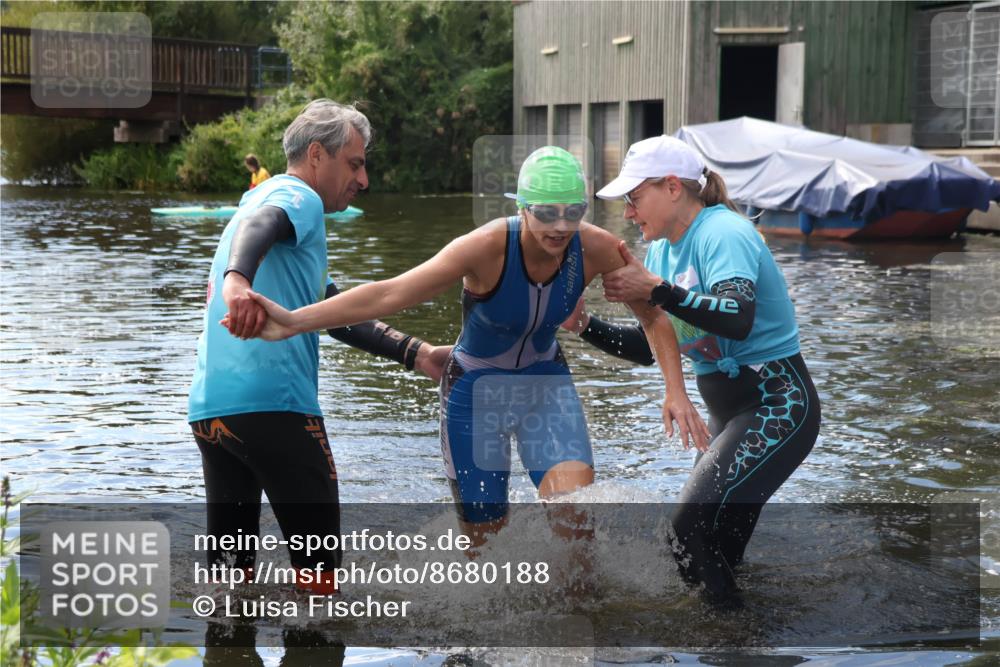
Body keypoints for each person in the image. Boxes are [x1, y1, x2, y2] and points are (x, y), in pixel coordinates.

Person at [227, 146, 710, 545]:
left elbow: (653, 315)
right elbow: (391, 292)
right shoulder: (486, 246)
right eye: (546, 213)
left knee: (575, 522)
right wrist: (293, 321)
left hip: (546, 387)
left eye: (573, 212)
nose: (561, 227)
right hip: (474, 394)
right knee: (486, 543)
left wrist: (676, 391)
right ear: (522, 206)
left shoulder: (599, 246)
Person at [189, 99, 450, 594]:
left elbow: (330, 313)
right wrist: (238, 282)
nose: (364, 179)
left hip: (211, 412)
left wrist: (416, 353)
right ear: (316, 155)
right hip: (276, 409)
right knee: (320, 584)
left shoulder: (257, 201)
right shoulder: (296, 198)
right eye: (355, 163)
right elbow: (261, 226)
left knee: (229, 584)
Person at [562, 135, 821, 603]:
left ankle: (733, 638)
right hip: (731, 419)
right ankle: (739, 632)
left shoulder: (723, 233)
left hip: (777, 406)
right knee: (709, 547)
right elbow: (649, 348)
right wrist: (585, 326)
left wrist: (658, 291)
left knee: (685, 532)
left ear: (673, 187)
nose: (628, 214)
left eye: (635, 199)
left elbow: (737, 317)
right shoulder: (662, 252)